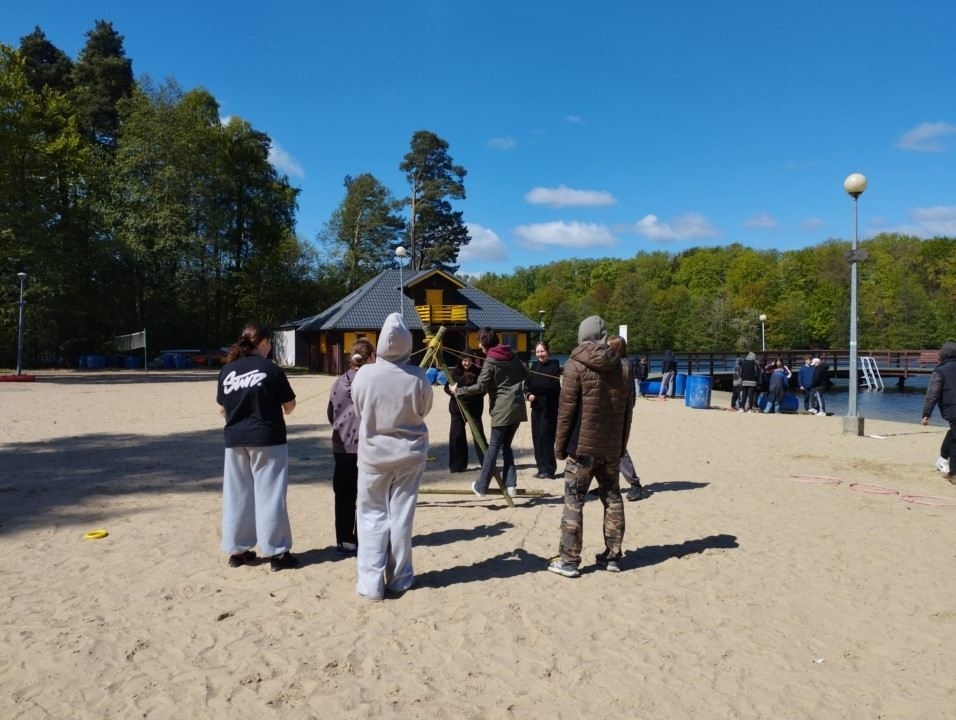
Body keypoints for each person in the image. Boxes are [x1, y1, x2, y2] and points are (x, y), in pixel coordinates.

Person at [351, 313, 433, 601]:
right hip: (409, 454)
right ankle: (400, 578)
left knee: (371, 515)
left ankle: (371, 583)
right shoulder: (418, 377)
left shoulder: (364, 374)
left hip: (374, 454)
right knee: (401, 516)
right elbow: (423, 410)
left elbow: (359, 409)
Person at [548, 316, 635, 578]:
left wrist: (560, 448)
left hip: (582, 449)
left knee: (574, 502)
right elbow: (628, 412)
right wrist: (621, 446)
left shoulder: (574, 366)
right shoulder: (624, 367)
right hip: (609, 447)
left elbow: (565, 412)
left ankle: (570, 560)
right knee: (612, 498)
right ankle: (613, 555)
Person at [216, 322, 298, 572]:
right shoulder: (270, 369)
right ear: (262, 342)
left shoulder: (227, 370)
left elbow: (222, 408)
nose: (270, 346)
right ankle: (277, 553)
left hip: (236, 439)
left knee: (237, 495)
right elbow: (290, 404)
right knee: (270, 495)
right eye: (269, 342)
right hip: (267, 439)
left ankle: (237, 550)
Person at [456, 328, 528, 498]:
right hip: (517, 406)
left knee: (493, 447)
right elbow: (525, 373)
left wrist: (459, 390)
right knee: (506, 446)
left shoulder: (491, 360)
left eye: (480, 341)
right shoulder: (511, 354)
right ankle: (511, 485)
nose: (479, 345)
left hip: (503, 408)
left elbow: (480, 386)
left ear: (486, 342)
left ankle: (481, 486)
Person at [326, 338, 374, 555]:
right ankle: (363, 537)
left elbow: (330, 412)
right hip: (363, 445)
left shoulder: (338, 382)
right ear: (371, 357)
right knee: (366, 494)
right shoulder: (371, 381)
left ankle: (345, 539)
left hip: (342, 444)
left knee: (344, 495)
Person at [607, 335, 649, 501]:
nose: (606, 350)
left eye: (610, 347)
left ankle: (635, 484)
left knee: (619, 450)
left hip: (619, 416)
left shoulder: (625, 367)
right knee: (604, 451)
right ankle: (608, 484)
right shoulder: (611, 365)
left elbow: (629, 397)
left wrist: (622, 413)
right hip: (608, 414)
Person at [920, 341, 956, 483]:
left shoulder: (940, 371)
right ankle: (952, 471)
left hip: (951, 408)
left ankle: (946, 463)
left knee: (954, 434)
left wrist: (926, 414)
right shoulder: (941, 370)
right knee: (955, 435)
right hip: (953, 408)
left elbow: (932, 394)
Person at [524, 341, 561, 478]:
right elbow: (527, 385)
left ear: (548, 352)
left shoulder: (554, 365)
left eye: (542, 351)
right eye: (538, 352)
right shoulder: (534, 366)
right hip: (537, 407)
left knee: (546, 437)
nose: (540, 354)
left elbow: (550, 386)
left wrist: (534, 389)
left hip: (549, 407)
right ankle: (540, 468)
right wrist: (528, 395)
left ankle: (549, 469)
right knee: (537, 437)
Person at [445, 353, 486, 473]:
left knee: (479, 436)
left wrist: (467, 394)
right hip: (457, 410)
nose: (466, 363)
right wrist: (452, 391)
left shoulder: (478, 373)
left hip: (474, 409)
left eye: (468, 361)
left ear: (472, 361)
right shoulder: (455, 372)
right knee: (457, 436)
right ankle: (457, 465)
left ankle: (486, 463)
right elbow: (447, 387)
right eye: (464, 360)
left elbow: (482, 389)